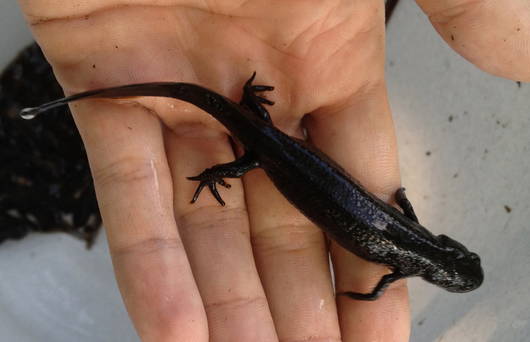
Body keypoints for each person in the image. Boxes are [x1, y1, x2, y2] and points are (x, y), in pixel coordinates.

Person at [18, 1, 530, 341]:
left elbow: (401, 200)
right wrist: (364, 291)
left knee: (260, 144)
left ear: (449, 250)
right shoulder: (398, 267)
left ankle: (239, 119)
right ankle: (222, 152)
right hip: (271, 156)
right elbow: (380, 267)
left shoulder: (412, 233)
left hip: (283, 149)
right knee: (253, 153)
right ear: (436, 270)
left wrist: (390, 210)